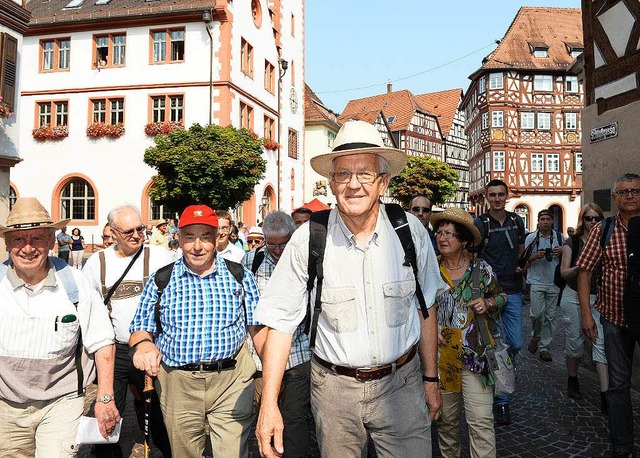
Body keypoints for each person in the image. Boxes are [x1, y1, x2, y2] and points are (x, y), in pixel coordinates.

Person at [255, 120, 446, 457]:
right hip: (334, 391)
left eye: (365, 174)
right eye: (343, 174)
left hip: (402, 383)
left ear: (383, 182)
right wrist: (269, 404)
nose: (353, 185)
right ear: (331, 182)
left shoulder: (410, 232)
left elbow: (426, 310)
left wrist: (430, 381)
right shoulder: (308, 238)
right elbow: (281, 325)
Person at [129, 204, 262, 457]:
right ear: (178, 239)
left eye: (205, 237)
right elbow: (139, 328)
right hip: (178, 383)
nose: (197, 246)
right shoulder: (161, 280)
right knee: (184, 453)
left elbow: (258, 329)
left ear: (217, 238)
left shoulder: (240, 276)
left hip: (232, 380)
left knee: (233, 453)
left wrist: (270, 374)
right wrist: (144, 345)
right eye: (189, 238)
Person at [0, 198, 119, 456]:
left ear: (52, 241)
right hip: (5, 406)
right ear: (7, 243)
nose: (27, 248)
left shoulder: (76, 284)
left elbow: (102, 341)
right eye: (18, 239)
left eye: (37, 239)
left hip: (62, 402)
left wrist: (105, 398)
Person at [83, 205, 174, 457]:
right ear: (113, 232)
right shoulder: (96, 263)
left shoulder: (161, 257)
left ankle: (166, 450)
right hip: (115, 350)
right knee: (107, 410)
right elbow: (89, 310)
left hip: (154, 347)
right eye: (128, 231)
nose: (136, 235)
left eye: (140, 228)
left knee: (160, 412)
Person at [432, 207, 506, 458]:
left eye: (449, 233)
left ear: (463, 240)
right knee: (446, 425)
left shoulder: (481, 269)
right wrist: (430, 329)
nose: (442, 238)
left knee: (481, 423)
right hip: (442, 360)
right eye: (439, 233)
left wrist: (489, 304)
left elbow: (502, 296)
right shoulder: (429, 270)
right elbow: (415, 309)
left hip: (477, 359)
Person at [577, 173, 640, 457]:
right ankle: (622, 445)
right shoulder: (604, 229)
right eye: (624, 192)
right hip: (614, 317)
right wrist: (586, 315)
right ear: (614, 198)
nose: (630, 196)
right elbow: (585, 272)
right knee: (617, 384)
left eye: (636, 191)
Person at [243, 211, 312, 456]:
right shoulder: (250, 262)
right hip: (260, 359)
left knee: (294, 423)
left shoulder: (305, 261)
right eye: (272, 244)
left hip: (297, 356)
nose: (278, 250)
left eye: (284, 243)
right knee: (261, 422)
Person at [473, 179, 526, 425]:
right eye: (492, 195)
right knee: (495, 345)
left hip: (513, 290)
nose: (496, 199)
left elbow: (520, 249)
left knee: (514, 343)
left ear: (507, 195)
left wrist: (518, 265)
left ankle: (503, 375)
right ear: (486, 196)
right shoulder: (480, 224)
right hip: (490, 294)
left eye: (500, 194)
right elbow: (473, 256)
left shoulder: (517, 221)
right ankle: (501, 399)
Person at [559, 203, 608, 410]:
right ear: (583, 220)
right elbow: (564, 273)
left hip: (598, 297)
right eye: (589, 218)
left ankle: (606, 396)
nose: (593, 222)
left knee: (600, 343)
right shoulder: (573, 242)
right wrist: (583, 265)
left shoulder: (607, 239)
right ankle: (573, 378)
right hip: (572, 296)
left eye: (597, 218)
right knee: (575, 342)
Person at [524, 209, 564, 362]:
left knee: (551, 316)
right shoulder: (531, 238)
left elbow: (567, 258)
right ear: (538, 221)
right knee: (536, 314)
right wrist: (534, 257)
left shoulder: (560, 238)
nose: (545, 222)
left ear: (552, 221)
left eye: (548, 219)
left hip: (554, 282)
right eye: (543, 219)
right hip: (536, 281)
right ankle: (535, 336)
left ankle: (544, 347)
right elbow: (524, 261)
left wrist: (562, 251)